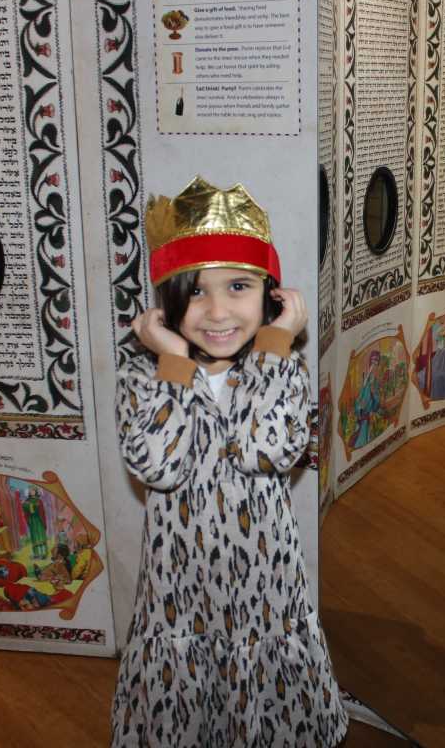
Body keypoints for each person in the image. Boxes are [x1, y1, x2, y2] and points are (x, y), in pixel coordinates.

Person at [110, 177, 347, 747]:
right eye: (195, 291)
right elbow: (158, 467)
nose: (217, 311)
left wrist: (276, 342)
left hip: (265, 584)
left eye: (238, 286)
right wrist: (173, 362)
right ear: (169, 302)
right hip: (179, 588)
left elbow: (266, 448)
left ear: (271, 294)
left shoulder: (281, 367)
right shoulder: (144, 373)